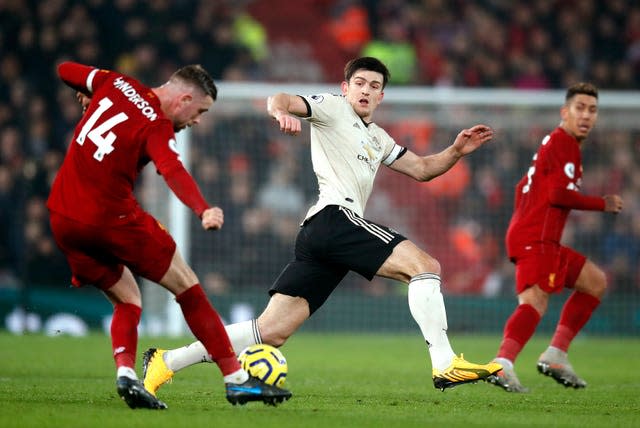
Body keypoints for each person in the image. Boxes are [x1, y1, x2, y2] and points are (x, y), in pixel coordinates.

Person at [142, 56, 501, 395]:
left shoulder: (379, 138)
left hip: (321, 234)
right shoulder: (332, 107)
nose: (365, 90)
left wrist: (455, 151)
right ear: (345, 88)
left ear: (381, 95)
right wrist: (281, 112)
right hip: (335, 218)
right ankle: (444, 362)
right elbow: (279, 97)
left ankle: (167, 361)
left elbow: (422, 170)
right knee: (426, 267)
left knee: (271, 331)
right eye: (358, 82)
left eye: (373, 85)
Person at [47, 61, 291, 409]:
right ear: (185, 99)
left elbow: (64, 68)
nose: (197, 121)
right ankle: (237, 379)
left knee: (128, 298)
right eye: (200, 112)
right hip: (111, 220)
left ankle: (127, 375)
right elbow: (173, 170)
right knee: (187, 286)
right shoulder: (156, 126)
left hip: (63, 218)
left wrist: (90, 92)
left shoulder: (113, 83)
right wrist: (203, 208)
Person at [486, 82, 624, 393]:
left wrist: (524, 217)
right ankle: (502, 363)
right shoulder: (564, 143)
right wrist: (602, 203)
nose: (586, 115)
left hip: (537, 235)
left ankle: (556, 354)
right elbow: (558, 194)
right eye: (580, 108)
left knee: (595, 281)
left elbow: (523, 185)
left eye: (592, 110)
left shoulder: (556, 143)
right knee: (534, 302)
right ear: (565, 112)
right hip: (537, 237)